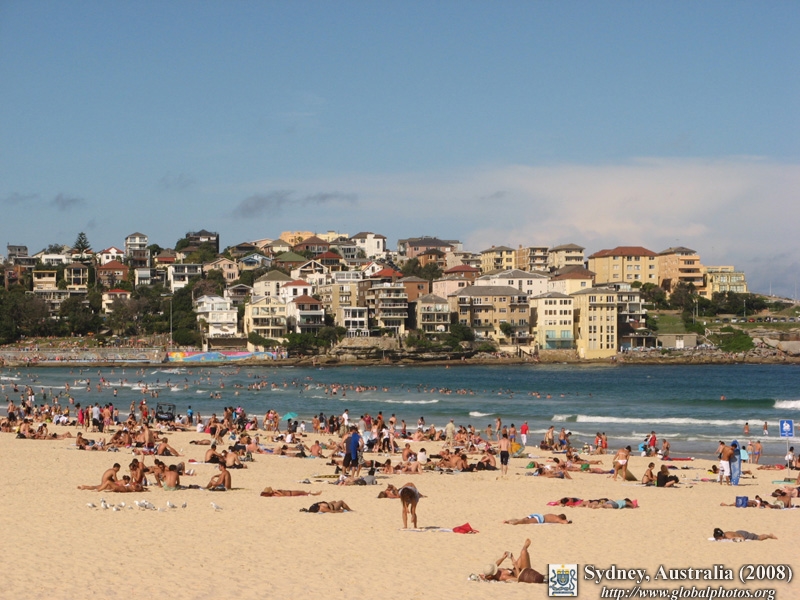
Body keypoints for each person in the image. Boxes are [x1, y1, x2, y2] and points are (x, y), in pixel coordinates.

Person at [480, 539, 545, 583]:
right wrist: (516, 566)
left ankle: (524, 548)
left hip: (517, 568)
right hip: (523, 572)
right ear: (491, 575)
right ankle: (525, 546)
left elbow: (496, 564)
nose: (496, 567)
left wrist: (503, 558)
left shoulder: (493, 571)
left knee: (522, 554)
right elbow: (518, 579)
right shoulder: (503, 577)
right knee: (523, 552)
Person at [503, 513, 571, 525]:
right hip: (540, 519)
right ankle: (513, 523)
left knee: (522, 519)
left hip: (537, 515)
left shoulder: (553, 515)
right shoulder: (557, 518)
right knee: (525, 522)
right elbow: (564, 522)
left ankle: (508, 521)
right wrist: (568, 521)